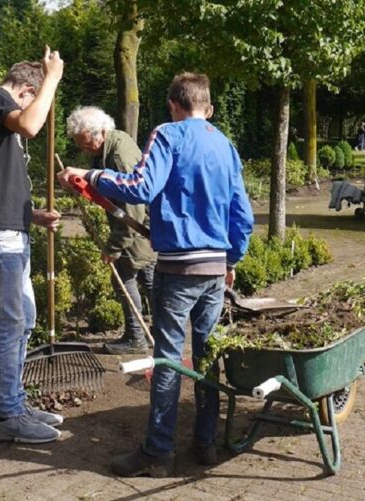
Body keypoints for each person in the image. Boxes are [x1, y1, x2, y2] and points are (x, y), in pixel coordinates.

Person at [57, 72, 254, 477]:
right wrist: (231, 262)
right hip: (215, 271)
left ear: (172, 105)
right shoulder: (226, 145)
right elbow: (243, 215)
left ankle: (158, 453)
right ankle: (206, 445)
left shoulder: (167, 134)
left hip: (178, 269)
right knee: (207, 358)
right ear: (209, 108)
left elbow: (141, 186)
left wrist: (90, 176)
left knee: (167, 361)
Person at [0, 47, 65, 443]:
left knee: (25, 319)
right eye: (31, 98)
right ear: (24, 90)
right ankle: (7, 416)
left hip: (7, 231)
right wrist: (51, 78)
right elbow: (32, 125)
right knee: (8, 325)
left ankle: (15, 402)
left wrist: (31, 215)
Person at [66, 106, 157, 355]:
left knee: (125, 278)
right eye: (81, 145)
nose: (85, 150)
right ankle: (163, 335)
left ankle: (136, 338)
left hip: (136, 227)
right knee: (149, 279)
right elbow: (106, 186)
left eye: (86, 144)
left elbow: (133, 208)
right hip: (141, 226)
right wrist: (80, 184)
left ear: (101, 132)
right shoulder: (112, 143)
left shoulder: (118, 156)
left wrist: (113, 247)